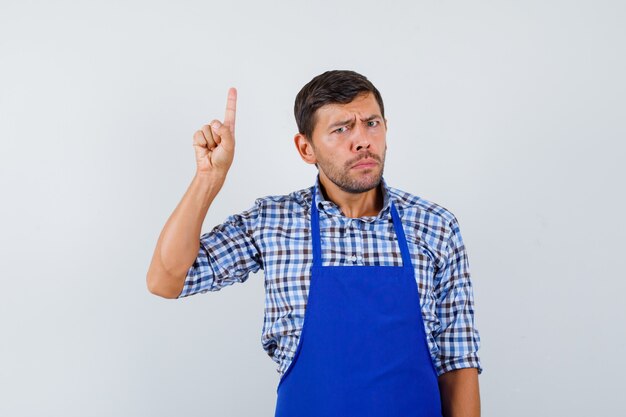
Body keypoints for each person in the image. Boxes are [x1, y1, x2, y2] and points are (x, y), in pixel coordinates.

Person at [146, 70, 482, 417]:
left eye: (371, 123)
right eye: (341, 129)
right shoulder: (273, 221)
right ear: (306, 148)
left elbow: (458, 361)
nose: (362, 140)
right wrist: (208, 178)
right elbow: (167, 279)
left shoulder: (434, 226)